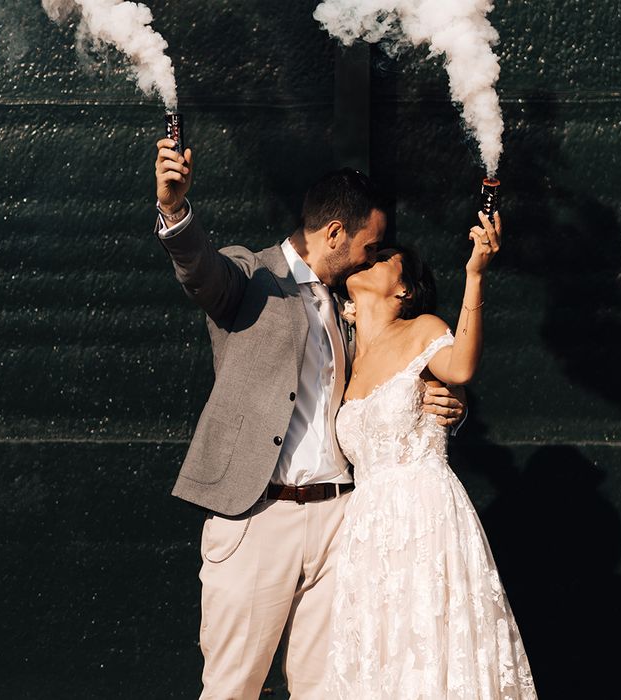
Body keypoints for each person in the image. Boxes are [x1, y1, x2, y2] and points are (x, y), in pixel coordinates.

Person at [153, 139, 467, 699]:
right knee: (232, 688)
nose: (375, 258)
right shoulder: (250, 277)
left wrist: (438, 401)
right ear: (334, 235)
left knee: (330, 688)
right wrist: (176, 212)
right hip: (258, 516)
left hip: (343, 522)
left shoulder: (354, 309)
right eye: (370, 247)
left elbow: (391, 378)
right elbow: (199, 270)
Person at [325, 218, 538, 698]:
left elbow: (460, 364)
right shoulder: (343, 349)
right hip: (366, 530)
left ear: (403, 289)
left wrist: (476, 273)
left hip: (423, 514)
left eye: (384, 258)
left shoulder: (423, 329)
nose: (370, 259)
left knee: (432, 654)